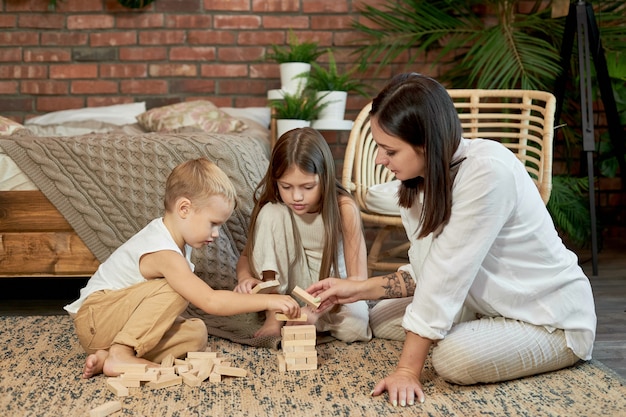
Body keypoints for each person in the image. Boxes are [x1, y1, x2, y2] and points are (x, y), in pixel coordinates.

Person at [308, 73, 596, 406]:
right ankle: (473, 326)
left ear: (426, 143)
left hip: (546, 318)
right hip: (482, 305)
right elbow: (427, 271)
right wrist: (356, 289)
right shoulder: (420, 184)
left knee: (450, 359)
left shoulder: (488, 172)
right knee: (380, 318)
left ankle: (506, 338)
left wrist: (407, 370)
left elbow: (445, 276)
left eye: (389, 150)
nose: (379, 160)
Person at [64, 157, 300, 379]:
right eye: (213, 224)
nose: (216, 234)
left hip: (112, 328)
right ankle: (121, 353)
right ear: (184, 209)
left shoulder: (175, 244)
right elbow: (210, 301)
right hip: (96, 318)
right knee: (176, 288)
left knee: (196, 333)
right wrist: (269, 302)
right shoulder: (163, 251)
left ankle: (108, 355)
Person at [234, 127, 372, 342]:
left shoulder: (344, 207)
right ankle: (275, 314)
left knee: (354, 330)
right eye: (286, 186)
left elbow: (358, 279)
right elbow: (245, 258)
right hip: (288, 289)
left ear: (324, 178)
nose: (296, 196)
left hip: (332, 292)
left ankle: (302, 317)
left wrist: (316, 310)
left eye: (308, 186)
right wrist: (246, 278)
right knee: (271, 211)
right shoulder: (276, 208)